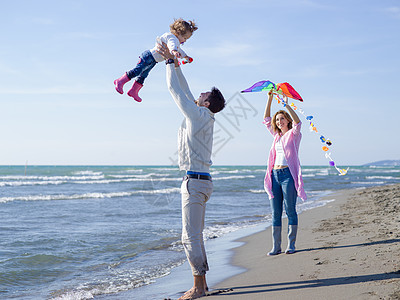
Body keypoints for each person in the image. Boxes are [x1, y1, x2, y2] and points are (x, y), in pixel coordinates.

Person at [157, 42, 225, 300]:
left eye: (203, 94)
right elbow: (185, 90)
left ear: (206, 103)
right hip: (200, 181)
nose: (198, 95)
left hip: (195, 183)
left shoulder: (199, 115)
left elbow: (177, 92)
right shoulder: (204, 116)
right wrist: (174, 63)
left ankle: (198, 287)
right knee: (195, 235)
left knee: (189, 237)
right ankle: (202, 284)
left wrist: (167, 65)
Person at [263, 89, 307, 256]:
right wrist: (270, 99)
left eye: (281, 119)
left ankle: (291, 244)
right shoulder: (276, 136)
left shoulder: (294, 135)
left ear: (287, 121)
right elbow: (266, 120)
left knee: (290, 210)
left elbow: (298, 123)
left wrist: (287, 105)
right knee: (275, 212)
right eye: (277, 119)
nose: (279, 121)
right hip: (274, 175)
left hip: (288, 175)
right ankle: (276, 247)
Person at [113, 18, 197, 102]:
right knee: (137, 71)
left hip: (153, 60)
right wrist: (174, 51)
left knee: (144, 75)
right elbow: (172, 45)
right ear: (178, 33)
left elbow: (178, 49)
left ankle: (133, 91)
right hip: (148, 57)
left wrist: (185, 56)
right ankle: (120, 81)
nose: (185, 40)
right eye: (185, 38)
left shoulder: (175, 41)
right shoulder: (172, 38)